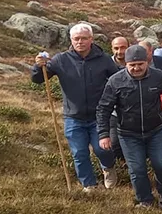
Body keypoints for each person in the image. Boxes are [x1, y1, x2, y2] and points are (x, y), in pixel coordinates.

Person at [97, 45, 162, 208]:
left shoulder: (158, 76)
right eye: (132, 65)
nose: (136, 68)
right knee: (137, 169)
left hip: (155, 131)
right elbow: (103, 108)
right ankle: (145, 200)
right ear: (126, 64)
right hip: (128, 134)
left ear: (147, 61)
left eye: (140, 64)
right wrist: (103, 134)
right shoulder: (115, 81)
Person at [31, 23, 119, 191]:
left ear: (91, 39)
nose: (80, 42)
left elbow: (117, 80)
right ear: (71, 40)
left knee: (103, 149)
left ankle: (108, 168)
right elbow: (38, 79)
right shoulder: (61, 60)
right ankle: (89, 185)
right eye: (76, 38)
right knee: (79, 153)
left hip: (99, 116)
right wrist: (38, 66)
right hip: (73, 116)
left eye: (84, 38)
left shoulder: (104, 59)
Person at [108, 37, 130, 160]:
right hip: (113, 112)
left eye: (123, 48)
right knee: (115, 143)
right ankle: (122, 165)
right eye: (116, 48)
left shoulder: (136, 63)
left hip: (133, 111)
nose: (119, 51)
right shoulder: (105, 64)